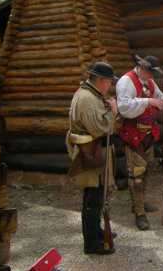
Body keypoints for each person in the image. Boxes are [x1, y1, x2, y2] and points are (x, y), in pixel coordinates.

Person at [116, 55, 163, 231]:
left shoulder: (149, 82)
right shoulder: (126, 81)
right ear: (141, 67)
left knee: (146, 170)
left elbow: (161, 99)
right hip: (133, 134)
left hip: (148, 135)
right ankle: (139, 213)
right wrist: (148, 101)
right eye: (150, 72)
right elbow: (124, 107)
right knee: (137, 176)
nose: (152, 76)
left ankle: (138, 204)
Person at [66, 61, 118, 255]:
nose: (110, 86)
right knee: (93, 199)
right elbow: (99, 128)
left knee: (95, 196)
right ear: (101, 80)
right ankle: (92, 243)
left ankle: (96, 232)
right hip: (91, 152)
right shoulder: (87, 98)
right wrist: (113, 112)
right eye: (109, 82)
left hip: (94, 151)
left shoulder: (91, 95)